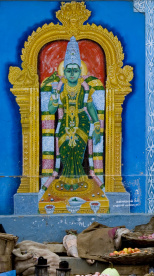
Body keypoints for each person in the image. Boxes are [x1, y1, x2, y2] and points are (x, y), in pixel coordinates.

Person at [39, 36, 105, 198]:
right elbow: (50, 109)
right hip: (65, 123)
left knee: (78, 152)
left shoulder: (85, 87)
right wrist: (54, 97)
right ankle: (66, 181)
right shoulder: (59, 88)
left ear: (80, 71)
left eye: (75, 70)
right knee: (66, 151)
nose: (72, 73)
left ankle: (78, 181)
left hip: (82, 122)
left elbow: (90, 106)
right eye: (69, 70)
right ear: (64, 72)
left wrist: (97, 125)